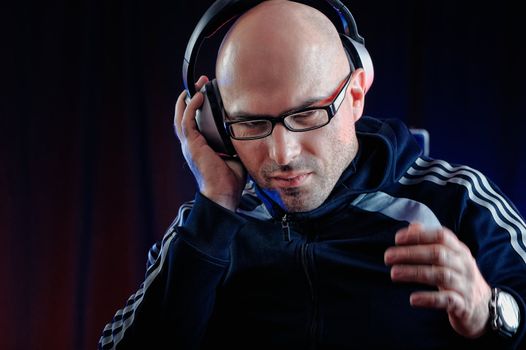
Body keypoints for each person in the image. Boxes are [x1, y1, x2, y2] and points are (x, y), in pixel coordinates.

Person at [99, 1, 526, 349]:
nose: (281, 154)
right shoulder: (202, 229)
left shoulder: (455, 201)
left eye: (307, 115)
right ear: (215, 123)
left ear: (355, 96)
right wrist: (214, 211)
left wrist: (489, 311)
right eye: (250, 124)